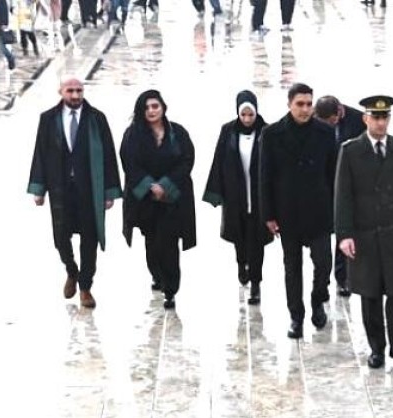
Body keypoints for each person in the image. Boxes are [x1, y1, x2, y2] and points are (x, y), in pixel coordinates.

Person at [334, 96, 393, 372]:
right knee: (370, 295)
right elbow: (343, 196)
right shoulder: (350, 151)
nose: (381, 122)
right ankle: (377, 348)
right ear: (365, 119)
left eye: (385, 118)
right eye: (376, 117)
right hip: (366, 235)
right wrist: (344, 234)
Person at [27, 76, 123, 309]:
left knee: (89, 240)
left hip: (89, 189)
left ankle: (85, 286)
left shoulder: (96, 119)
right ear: (61, 91)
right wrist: (39, 189)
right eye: (70, 90)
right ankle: (71, 270)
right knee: (61, 237)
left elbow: (109, 154)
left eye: (79, 90)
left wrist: (109, 191)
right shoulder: (48, 119)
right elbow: (40, 152)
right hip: (60, 190)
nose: (75, 95)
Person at [259, 82, 338, 339]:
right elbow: (265, 177)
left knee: (324, 261)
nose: (305, 109)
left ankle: (318, 299)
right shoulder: (272, 134)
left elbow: (333, 173)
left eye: (308, 104)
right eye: (300, 104)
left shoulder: (326, 133)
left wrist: (336, 209)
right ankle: (296, 315)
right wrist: (268, 215)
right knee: (292, 266)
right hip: (288, 211)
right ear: (289, 104)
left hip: (318, 209)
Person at [119, 90, 197, 310]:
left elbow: (187, 160)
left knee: (169, 242)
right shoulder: (132, 135)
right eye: (147, 107)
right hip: (145, 200)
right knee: (152, 242)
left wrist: (166, 185)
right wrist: (150, 186)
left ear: (163, 107)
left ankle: (171, 289)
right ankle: (157, 275)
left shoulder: (178, 133)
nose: (151, 111)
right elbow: (129, 164)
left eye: (155, 106)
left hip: (172, 199)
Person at [203, 90, 271, 305]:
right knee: (240, 238)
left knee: (257, 240)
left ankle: (256, 282)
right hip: (236, 196)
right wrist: (215, 192)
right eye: (244, 115)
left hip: (259, 197)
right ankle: (242, 265)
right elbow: (219, 160)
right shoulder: (228, 131)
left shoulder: (267, 132)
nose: (248, 119)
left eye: (251, 115)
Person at [315, 95, 367, 297]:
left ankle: (342, 277)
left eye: (332, 121)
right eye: (325, 122)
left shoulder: (357, 120)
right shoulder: (314, 120)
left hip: (348, 184)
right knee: (322, 234)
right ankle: (322, 277)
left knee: (343, 230)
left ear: (339, 112)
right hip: (323, 185)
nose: (329, 125)